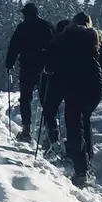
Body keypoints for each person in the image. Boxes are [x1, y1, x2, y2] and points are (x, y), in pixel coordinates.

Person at [45, 13, 102, 187]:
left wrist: (48, 70)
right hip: (95, 87)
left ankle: (81, 171)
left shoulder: (63, 38)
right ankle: (87, 159)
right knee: (84, 120)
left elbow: (50, 66)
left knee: (75, 127)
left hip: (75, 86)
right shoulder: (95, 38)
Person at [4, 2, 54, 143]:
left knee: (25, 98)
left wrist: (9, 64)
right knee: (46, 100)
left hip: (27, 67)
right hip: (45, 68)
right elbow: (55, 45)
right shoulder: (47, 26)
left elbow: (13, 47)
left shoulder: (22, 27)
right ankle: (50, 131)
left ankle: (26, 130)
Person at [38, 18, 72, 148]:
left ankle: (52, 138)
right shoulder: (78, 42)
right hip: (74, 83)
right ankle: (74, 147)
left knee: (49, 109)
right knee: (74, 115)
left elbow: (49, 67)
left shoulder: (56, 42)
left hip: (55, 82)